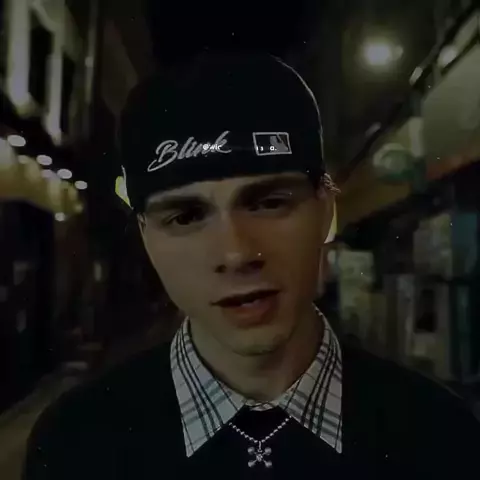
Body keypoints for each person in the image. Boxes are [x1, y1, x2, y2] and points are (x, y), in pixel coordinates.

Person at [23, 52, 479, 480]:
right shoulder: (72, 445)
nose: (236, 254)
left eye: (268, 202)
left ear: (326, 210)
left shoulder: (444, 436)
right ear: (146, 236)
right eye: (186, 217)